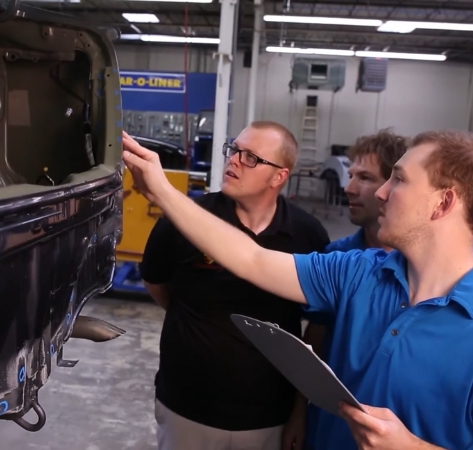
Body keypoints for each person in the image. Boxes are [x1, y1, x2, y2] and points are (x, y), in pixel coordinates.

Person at [122, 129, 473, 449]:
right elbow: (252, 259)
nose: (382, 192)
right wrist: (161, 188)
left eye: (399, 180)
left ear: (443, 203)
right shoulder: (359, 273)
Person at [139, 121, 330, 450]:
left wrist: (300, 411)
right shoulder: (187, 218)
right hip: (187, 411)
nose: (235, 160)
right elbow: (157, 284)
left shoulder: (307, 235)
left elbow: (316, 329)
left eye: (251, 157)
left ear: (279, 177)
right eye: (234, 150)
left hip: (269, 415)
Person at [301, 128, 409, 450]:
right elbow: (315, 344)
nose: (349, 188)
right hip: (332, 428)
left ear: (393, 186)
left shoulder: (423, 269)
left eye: (364, 178)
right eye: (351, 175)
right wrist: (298, 413)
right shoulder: (337, 256)